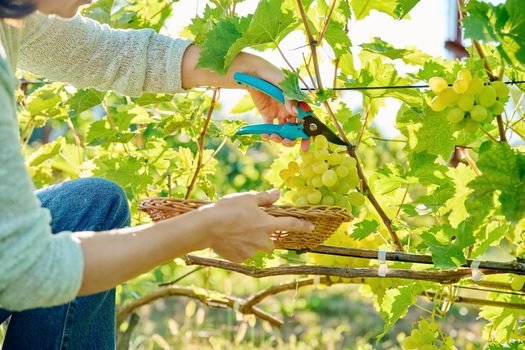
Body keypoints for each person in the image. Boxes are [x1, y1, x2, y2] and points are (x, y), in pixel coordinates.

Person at [0, 0, 315, 348]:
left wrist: (249, 68)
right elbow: (23, 269)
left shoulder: (13, 19)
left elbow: (109, 54)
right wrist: (206, 227)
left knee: (93, 206)